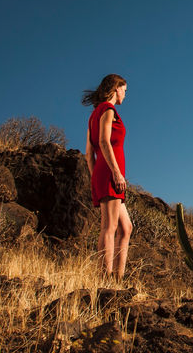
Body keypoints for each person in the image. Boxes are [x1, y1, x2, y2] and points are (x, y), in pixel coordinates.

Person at [82, 74, 133, 282]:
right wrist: (115, 172)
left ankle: (118, 278)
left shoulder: (94, 114)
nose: (125, 94)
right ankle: (106, 278)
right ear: (116, 88)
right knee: (110, 226)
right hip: (111, 173)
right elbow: (103, 142)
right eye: (124, 90)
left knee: (126, 227)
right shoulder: (108, 110)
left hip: (103, 173)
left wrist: (96, 178)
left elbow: (88, 153)